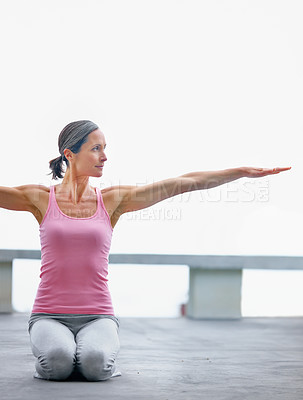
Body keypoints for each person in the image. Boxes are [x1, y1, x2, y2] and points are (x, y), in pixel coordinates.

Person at [0, 120, 291, 381]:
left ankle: (90, 351)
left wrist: (238, 172)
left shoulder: (113, 200)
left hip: (98, 315)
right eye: (96, 149)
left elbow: (182, 183)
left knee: (95, 364)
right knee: (57, 363)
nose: (104, 156)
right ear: (69, 154)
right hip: (49, 314)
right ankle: (62, 352)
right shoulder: (39, 198)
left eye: (105, 148)